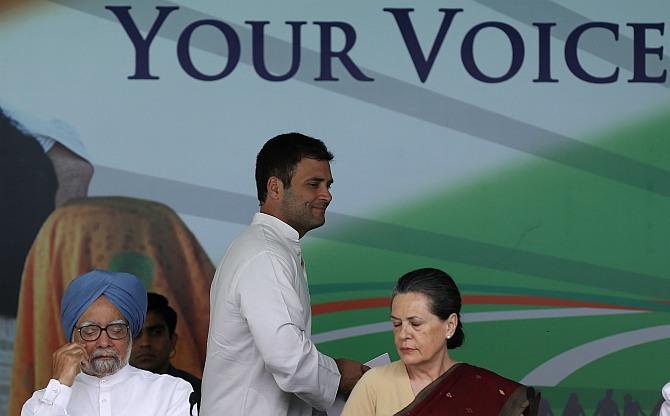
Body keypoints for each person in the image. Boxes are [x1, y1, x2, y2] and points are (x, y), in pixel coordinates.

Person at [200, 132, 368, 416]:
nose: (327, 195)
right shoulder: (266, 254)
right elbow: (288, 359)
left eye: (328, 185)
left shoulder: (267, 247)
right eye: (314, 184)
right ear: (275, 188)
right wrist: (339, 377)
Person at [341, 267, 539, 416]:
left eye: (415, 323)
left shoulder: (487, 389)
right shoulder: (373, 384)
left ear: (450, 325)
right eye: (396, 324)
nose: (403, 334)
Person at [21, 269, 195, 415]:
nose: (104, 342)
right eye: (90, 331)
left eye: (116, 330)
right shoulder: (40, 404)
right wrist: (59, 386)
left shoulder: (172, 392)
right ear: (72, 337)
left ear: (130, 334)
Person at [131, 292, 202, 412]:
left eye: (156, 332)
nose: (145, 343)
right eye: (136, 333)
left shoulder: (197, 393)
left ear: (172, 341)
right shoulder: (103, 392)